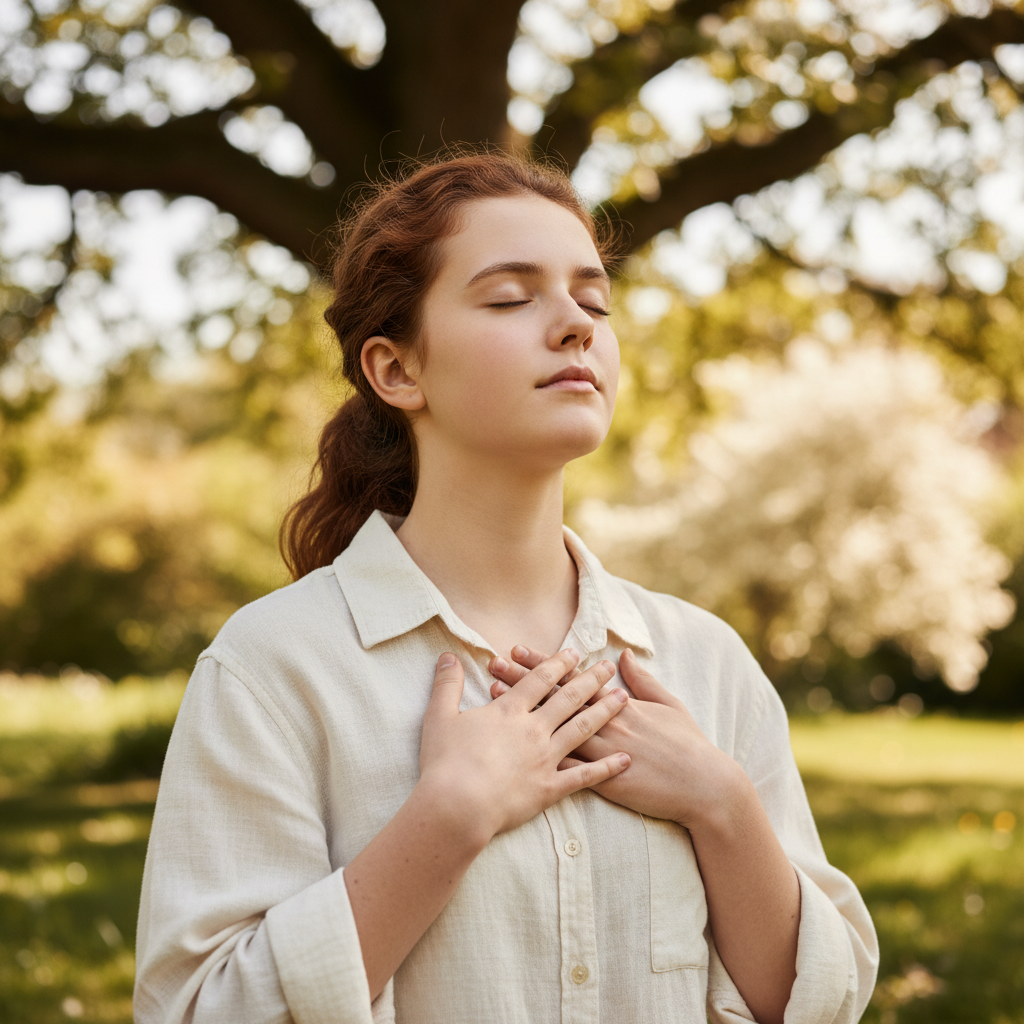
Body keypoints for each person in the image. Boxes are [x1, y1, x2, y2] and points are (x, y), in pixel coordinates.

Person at [134, 151, 878, 1024]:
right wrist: (447, 820)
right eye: (510, 297)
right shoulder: (272, 670)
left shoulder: (704, 661)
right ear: (396, 370)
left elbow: (821, 1002)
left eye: (593, 300)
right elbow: (197, 1008)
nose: (576, 326)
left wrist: (720, 805)